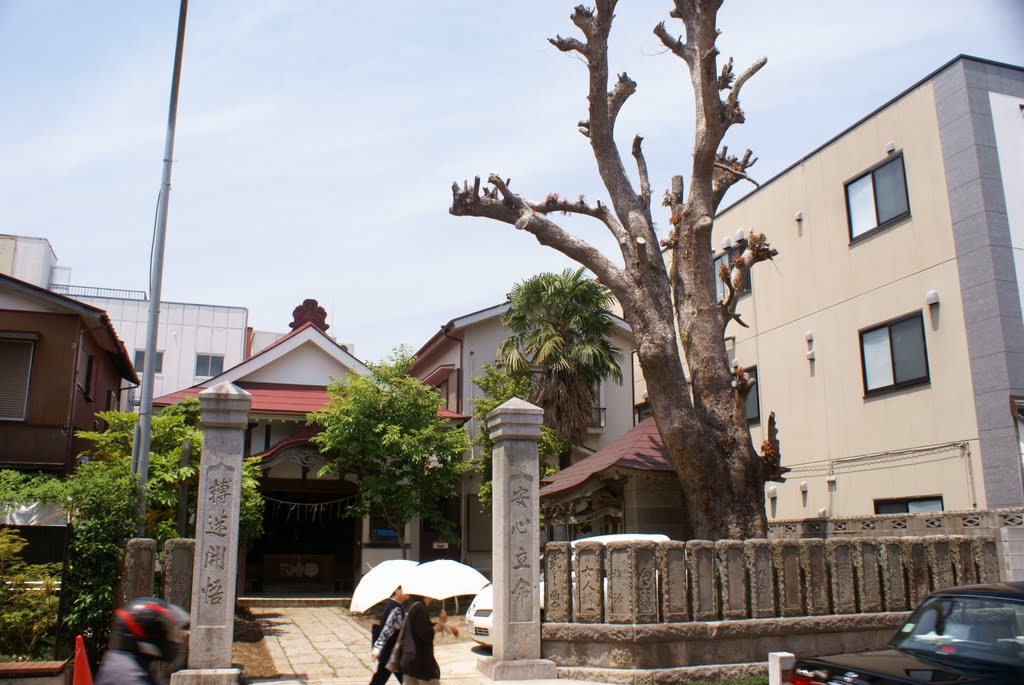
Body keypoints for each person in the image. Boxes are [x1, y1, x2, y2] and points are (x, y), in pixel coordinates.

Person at [94, 596, 190, 685]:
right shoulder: (130, 678)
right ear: (153, 633)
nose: (176, 641)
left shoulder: (120, 665)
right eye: (169, 633)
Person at [398, 595, 457, 685]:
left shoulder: (413, 605)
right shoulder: (419, 609)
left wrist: (444, 627)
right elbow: (427, 635)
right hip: (420, 662)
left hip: (410, 661)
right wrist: (441, 622)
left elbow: (422, 627)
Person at [369, 585, 408, 685]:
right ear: (396, 590)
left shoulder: (392, 605)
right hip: (393, 650)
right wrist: (377, 649)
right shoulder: (396, 608)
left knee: (381, 678)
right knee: (405, 678)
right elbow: (387, 630)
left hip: (391, 651)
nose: (408, 592)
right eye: (404, 589)